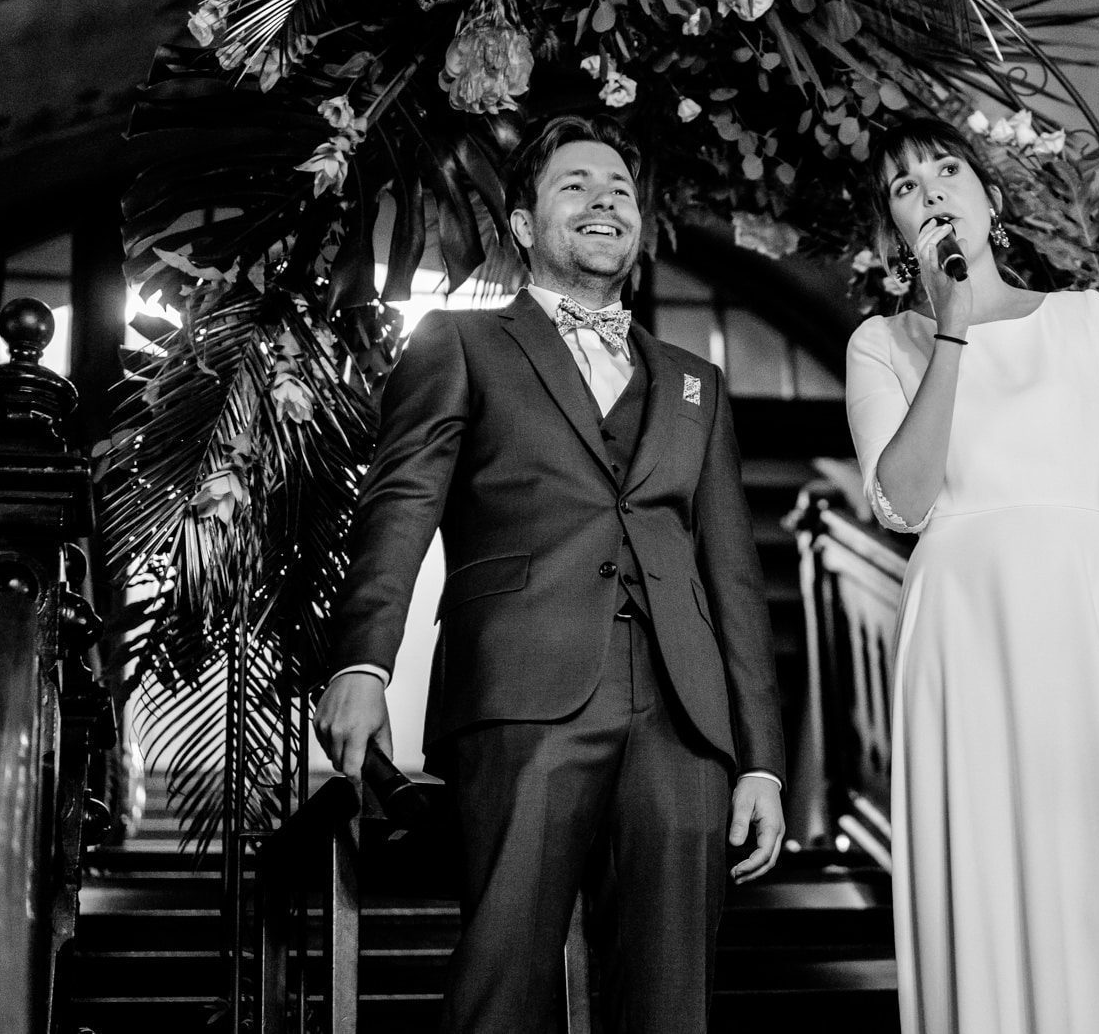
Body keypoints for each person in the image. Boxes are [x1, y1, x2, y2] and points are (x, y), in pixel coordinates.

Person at [315, 113, 787, 1034]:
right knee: (504, 979)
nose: (605, 200)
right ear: (526, 224)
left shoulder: (696, 380)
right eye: (576, 184)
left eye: (620, 190)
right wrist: (363, 661)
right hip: (521, 690)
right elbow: (401, 504)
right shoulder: (460, 342)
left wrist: (761, 761)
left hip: (684, 717)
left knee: (672, 998)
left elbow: (731, 576)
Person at [844, 115, 1099, 1034]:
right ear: (894, 231)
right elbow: (902, 503)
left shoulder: (1086, 321)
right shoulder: (881, 345)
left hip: (1087, 619)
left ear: (989, 197)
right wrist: (950, 333)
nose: (932, 193)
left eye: (946, 170)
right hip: (964, 632)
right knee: (994, 870)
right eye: (906, 187)